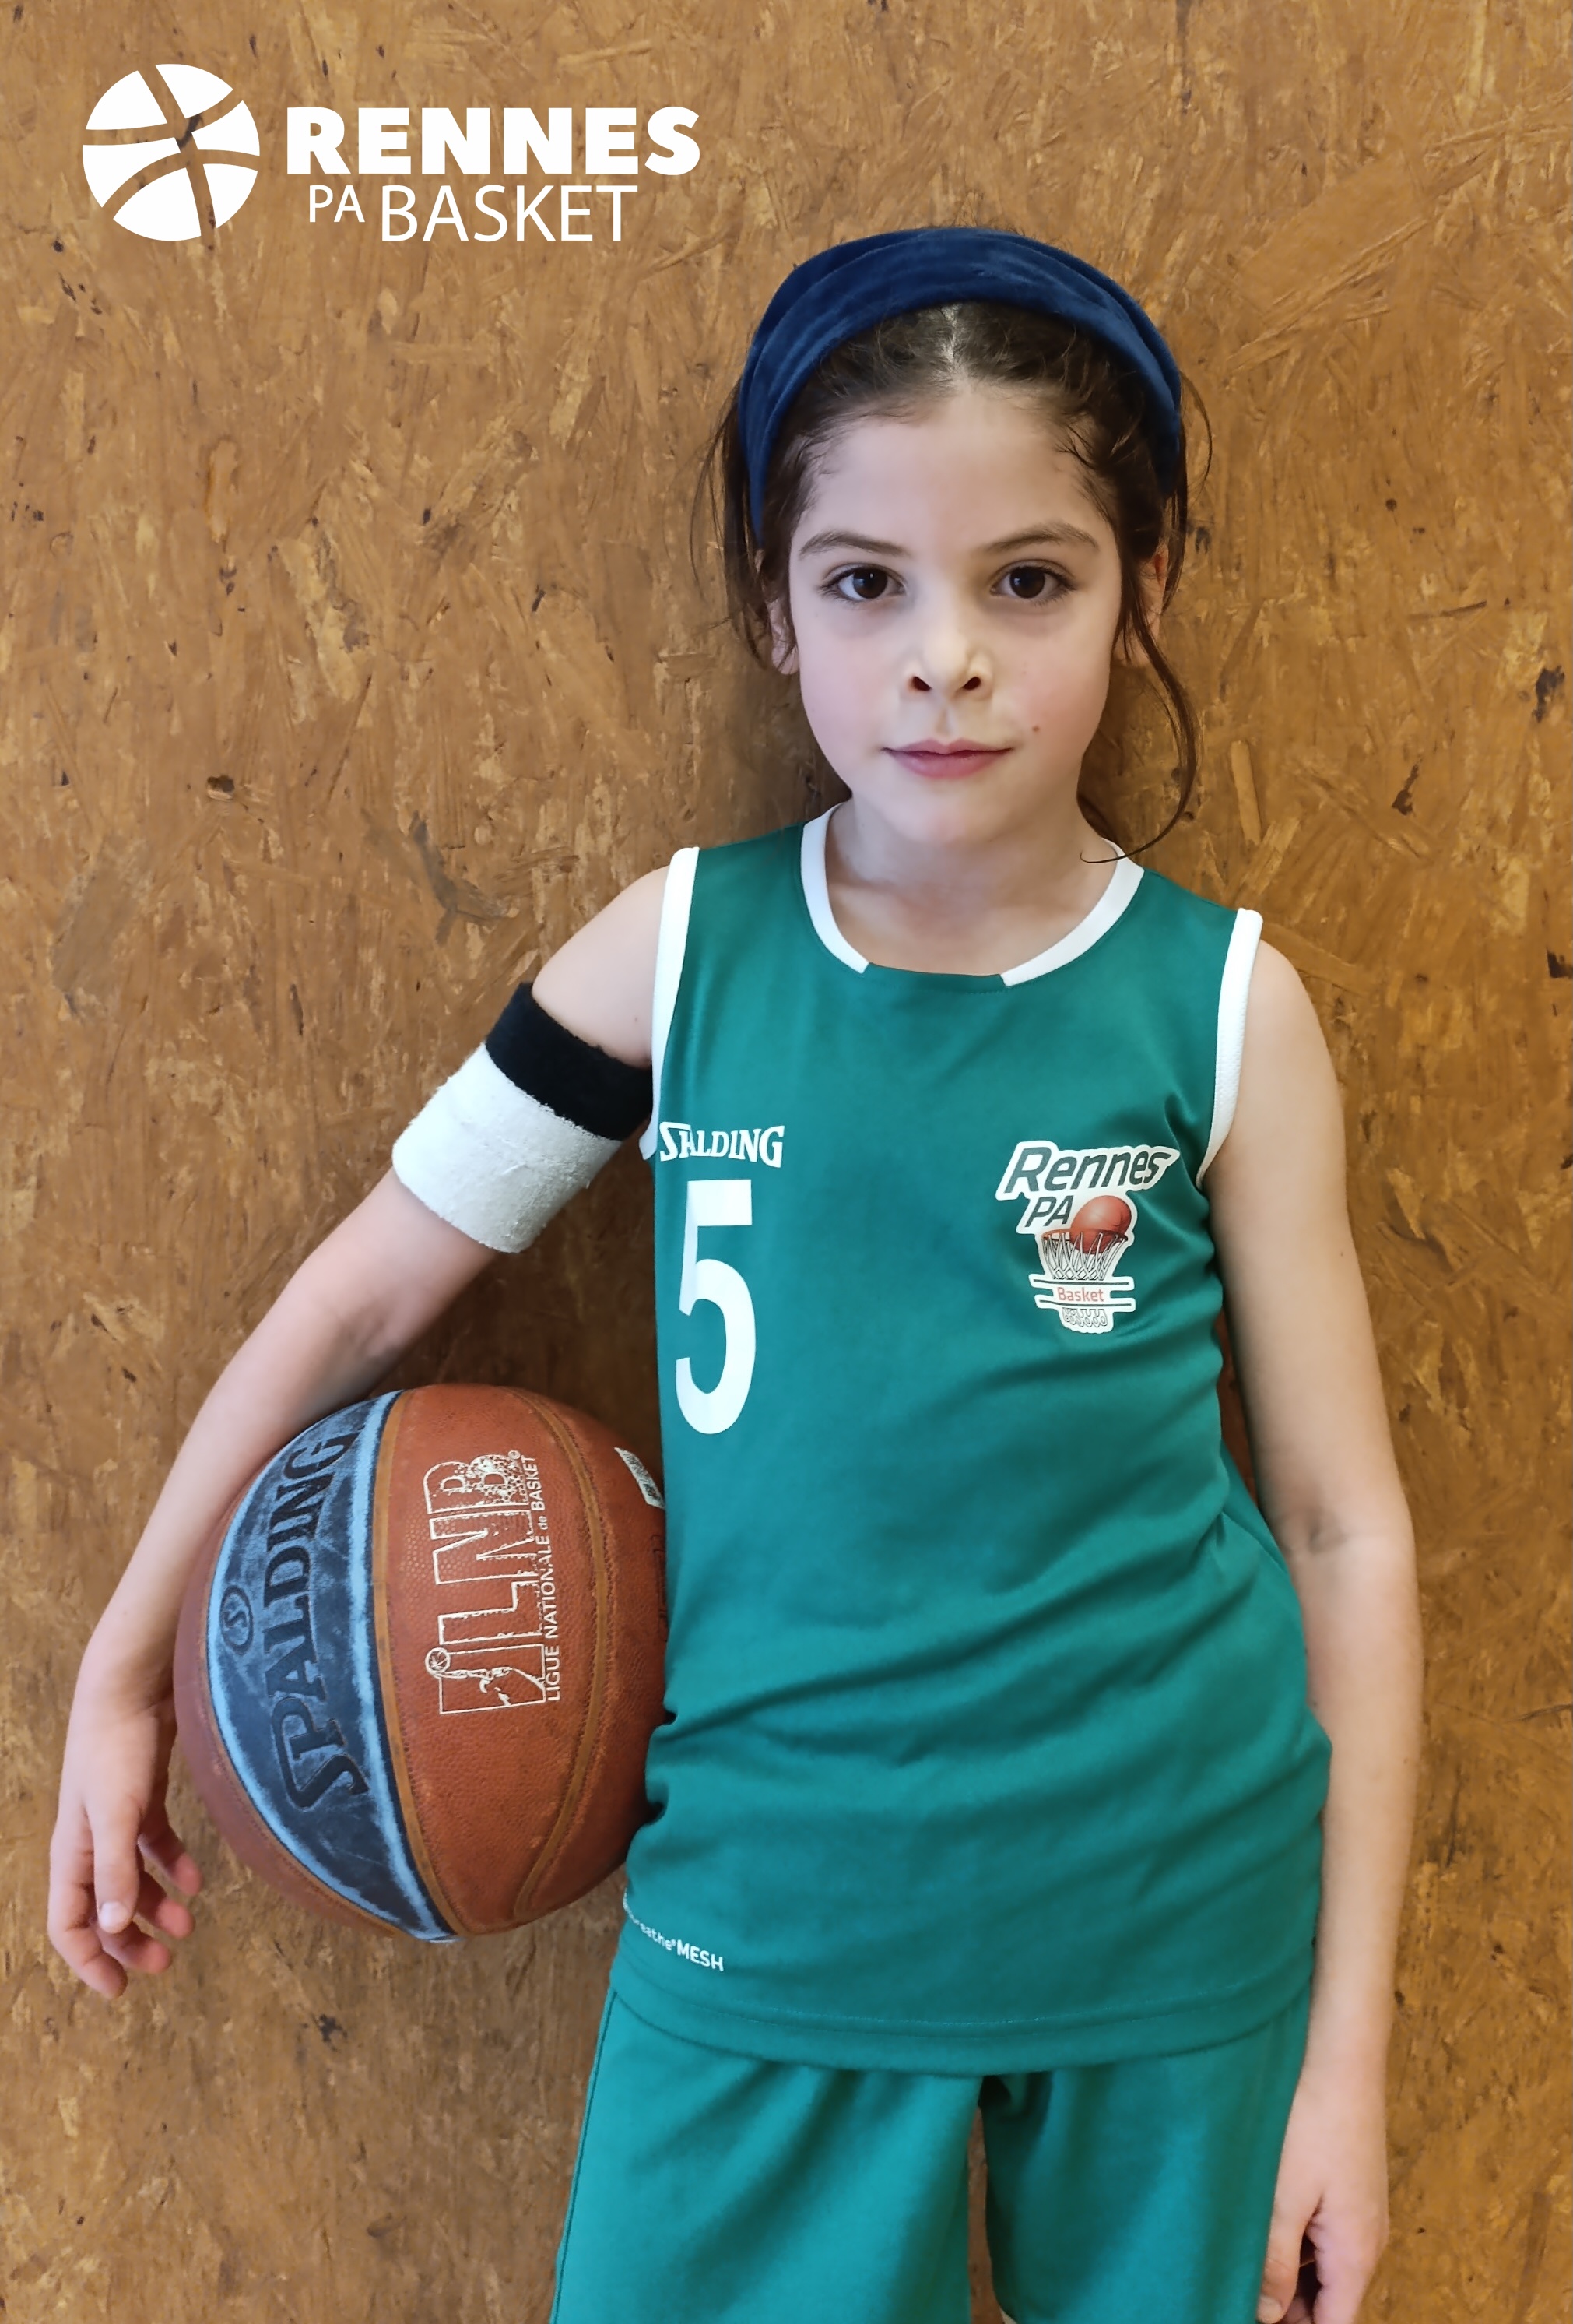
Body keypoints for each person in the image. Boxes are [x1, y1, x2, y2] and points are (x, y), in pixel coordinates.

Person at [49, 229, 1424, 2324]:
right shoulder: (677, 956)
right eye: (867, 582)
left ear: (1142, 594)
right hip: (769, 1922)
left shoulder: (1227, 1008)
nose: (944, 658)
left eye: (1027, 581)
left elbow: (1341, 1529)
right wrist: (126, 1663)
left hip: (1173, 1927)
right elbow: (359, 1300)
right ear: (774, 608)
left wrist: (1347, 2068)